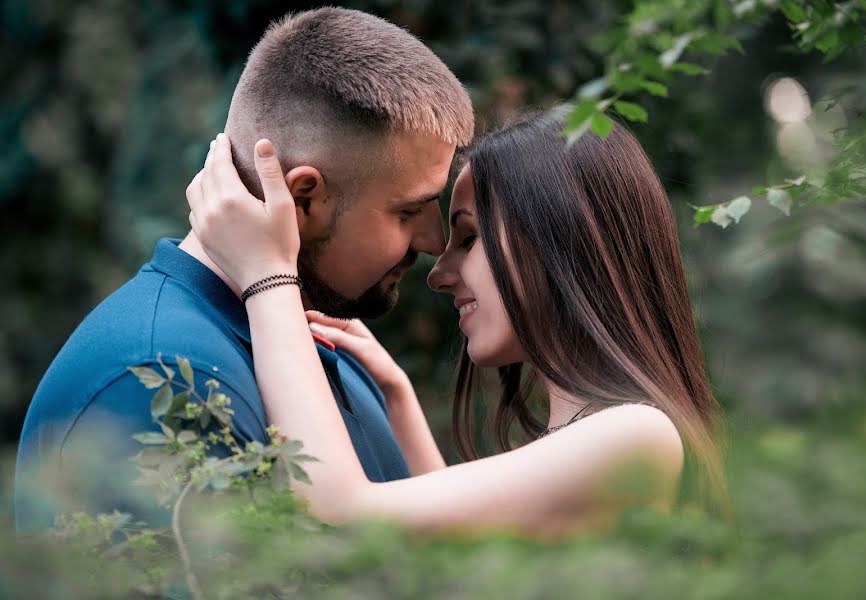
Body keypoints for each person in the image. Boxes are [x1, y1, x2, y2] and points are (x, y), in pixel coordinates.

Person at [14, 7, 474, 530]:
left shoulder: (332, 350)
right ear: (304, 198)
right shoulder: (156, 378)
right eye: (408, 211)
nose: (436, 241)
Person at [186, 112, 729, 538]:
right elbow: (451, 548)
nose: (439, 274)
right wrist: (397, 396)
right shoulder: (608, 434)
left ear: (557, 241)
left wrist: (267, 275)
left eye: (468, 238)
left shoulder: (635, 436)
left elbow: (343, 516)